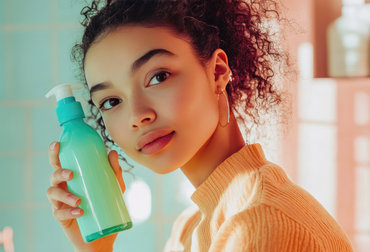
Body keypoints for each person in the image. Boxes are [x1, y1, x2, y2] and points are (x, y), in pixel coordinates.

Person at [46, 0, 353, 251]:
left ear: (218, 72)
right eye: (111, 101)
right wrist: (97, 248)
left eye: (158, 77)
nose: (137, 115)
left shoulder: (258, 223)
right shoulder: (189, 230)